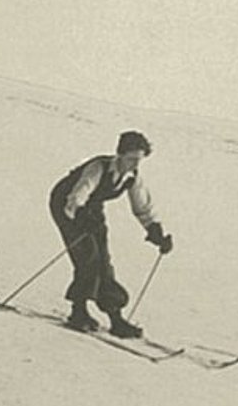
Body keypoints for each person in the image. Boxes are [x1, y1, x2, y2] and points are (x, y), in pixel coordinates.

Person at [47, 131, 172, 338]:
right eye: (131, 159)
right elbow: (79, 194)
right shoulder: (98, 167)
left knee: (104, 261)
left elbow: (142, 208)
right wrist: (79, 216)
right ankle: (78, 312)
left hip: (92, 209)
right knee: (88, 257)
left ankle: (116, 319)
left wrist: (156, 233)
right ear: (120, 154)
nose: (134, 165)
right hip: (65, 204)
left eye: (139, 160)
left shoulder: (132, 177)